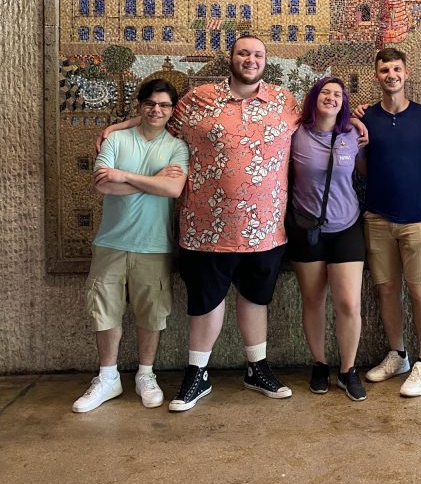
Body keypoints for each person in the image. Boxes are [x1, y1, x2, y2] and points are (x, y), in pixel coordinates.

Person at [100, 35, 301, 411]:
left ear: (265, 60)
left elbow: (321, 123)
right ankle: (197, 374)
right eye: (243, 53)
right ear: (231, 58)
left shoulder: (283, 101)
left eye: (257, 54)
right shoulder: (198, 100)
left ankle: (257, 368)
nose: (250, 59)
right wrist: (119, 127)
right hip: (205, 228)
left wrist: (354, 125)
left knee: (256, 299)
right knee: (205, 303)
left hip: (265, 229)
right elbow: (158, 118)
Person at [72, 79, 189, 413]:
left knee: (152, 312)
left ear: (172, 110)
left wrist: (124, 177)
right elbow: (104, 186)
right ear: (140, 106)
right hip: (110, 241)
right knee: (103, 309)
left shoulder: (176, 147)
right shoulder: (116, 138)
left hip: (154, 244)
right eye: (151, 103)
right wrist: (152, 180)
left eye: (164, 105)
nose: (157, 110)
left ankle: (145, 374)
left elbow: (174, 190)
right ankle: (108, 377)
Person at [358, 48, 421, 398]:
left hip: (418, 219)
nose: (390, 75)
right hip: (377, 217)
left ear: (406, 74)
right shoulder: (366, 118)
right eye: (384, 70)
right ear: (376, 76)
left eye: (396, 69)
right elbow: (360, 165)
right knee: (386, 288)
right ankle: (398, 355)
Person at [287, 77, 367, 402]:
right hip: (306, 228)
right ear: (313, 99)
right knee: (313, 300)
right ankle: (319, 363)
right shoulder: (295, 132)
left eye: (337, 94)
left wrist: (361, 123)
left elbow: (363, 170)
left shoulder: (352, 134)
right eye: (325, 93)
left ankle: (348, 369)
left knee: (348, 302)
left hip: (346, 227)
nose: (331, 98)